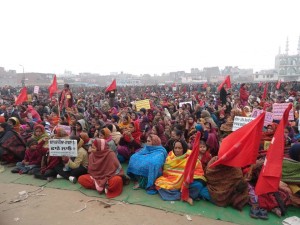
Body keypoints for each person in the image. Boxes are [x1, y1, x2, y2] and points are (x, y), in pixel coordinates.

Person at [155, 139, 210, 204]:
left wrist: (186, 177)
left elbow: (198, 171)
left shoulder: (191, 156)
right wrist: (180, 177)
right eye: (175, 148)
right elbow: (167, 170)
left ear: (184, 148)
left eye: (180, 148)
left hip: (188, 181)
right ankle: (182, 195)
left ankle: (187, 196)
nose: (177, 150)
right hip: (172, 179)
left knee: (198, 185)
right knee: (159, 183)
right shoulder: (170, 156)